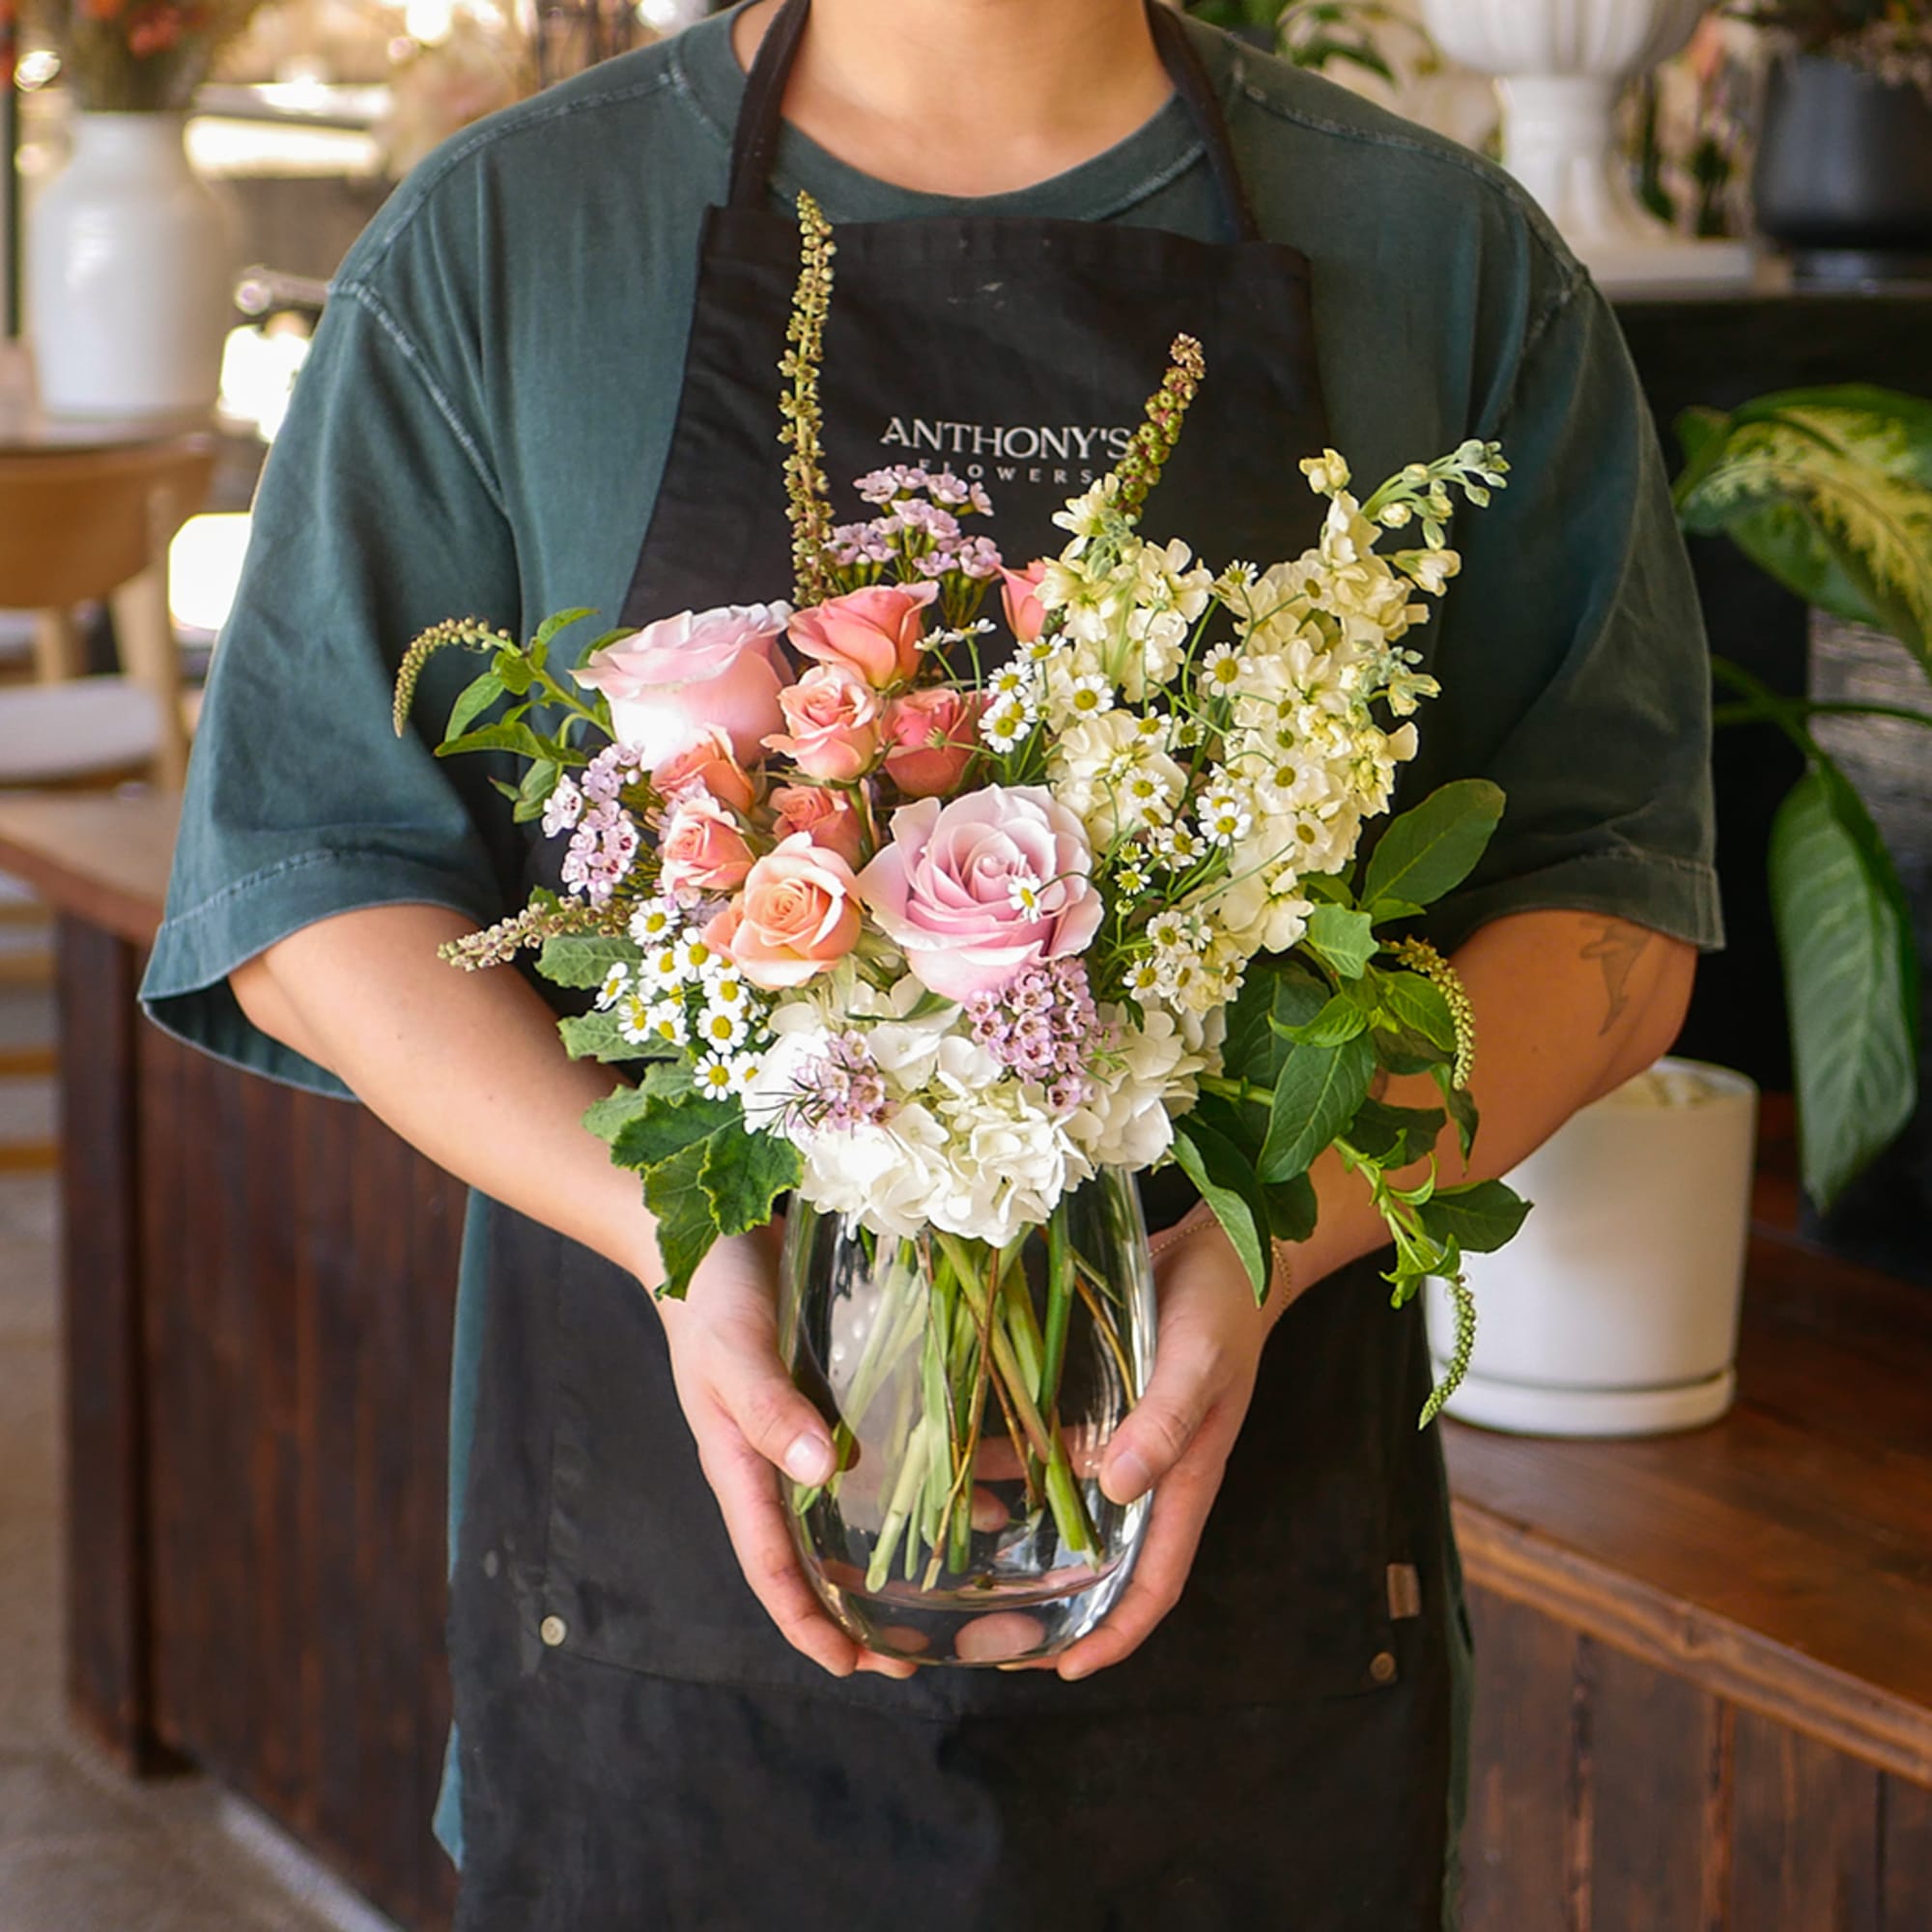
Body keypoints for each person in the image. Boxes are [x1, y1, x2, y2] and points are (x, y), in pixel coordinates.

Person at [142, 2, 1719, 1924]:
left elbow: (1608, 907)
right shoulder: (514, 241)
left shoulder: (1437, 256)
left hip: (1250, 1678)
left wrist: (1262, 1242)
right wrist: (678, 1241)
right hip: (661, 1660)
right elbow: (317, 896)